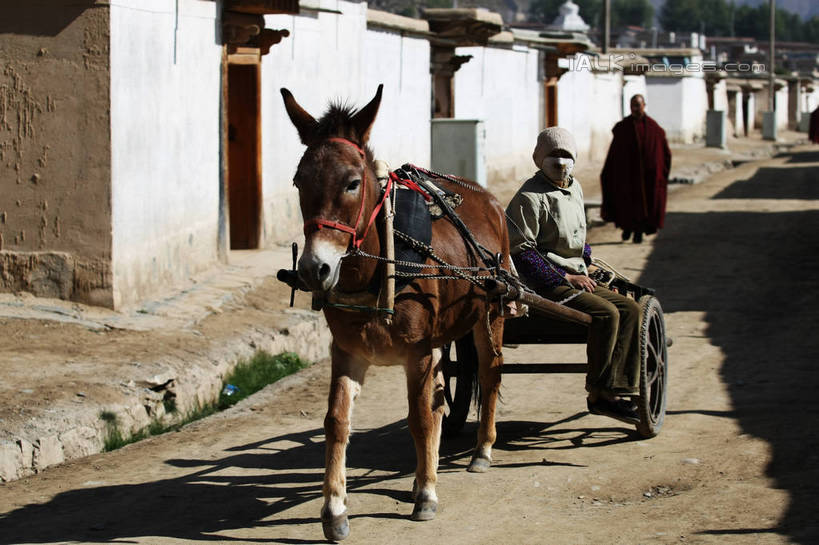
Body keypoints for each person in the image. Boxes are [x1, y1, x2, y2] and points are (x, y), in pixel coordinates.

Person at [506, 127, 642, 424]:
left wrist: (587, 261)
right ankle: (598, 394)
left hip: (576, 272)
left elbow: (577, 236)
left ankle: (617, 388)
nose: (561, 161)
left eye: (566, 155)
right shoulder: (529, 197)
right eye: (553, 155)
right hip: (544, 283)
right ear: (539, 158)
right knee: (606, 314)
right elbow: (521, 252)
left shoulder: (574, 188)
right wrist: (563, 277)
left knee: (630, 309)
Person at [600, 94, 671, 244]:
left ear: (644, 105)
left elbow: (663, 153)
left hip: (647, 177)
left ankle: (638, 232)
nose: (635, 108)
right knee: (626, 204)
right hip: (627, 176)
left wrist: (661, 172)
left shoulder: (654, 128)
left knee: (644, 205)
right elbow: (615, 152)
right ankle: (627, 228)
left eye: (638, 105)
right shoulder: (623, 128)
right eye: (633, 105)